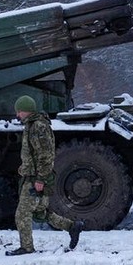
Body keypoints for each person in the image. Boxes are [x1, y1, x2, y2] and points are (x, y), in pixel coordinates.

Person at [6, 95, 84, 256]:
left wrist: (40, 179)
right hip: (33, 176)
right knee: (40, 213)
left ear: (26, 110)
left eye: (19, 111)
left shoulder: (38, 127)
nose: (17, 115)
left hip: (37, 178)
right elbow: (35, 154)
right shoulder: (32, 125)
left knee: (22, 214)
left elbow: (46, 155)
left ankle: (26, 247)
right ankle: (72, 226)